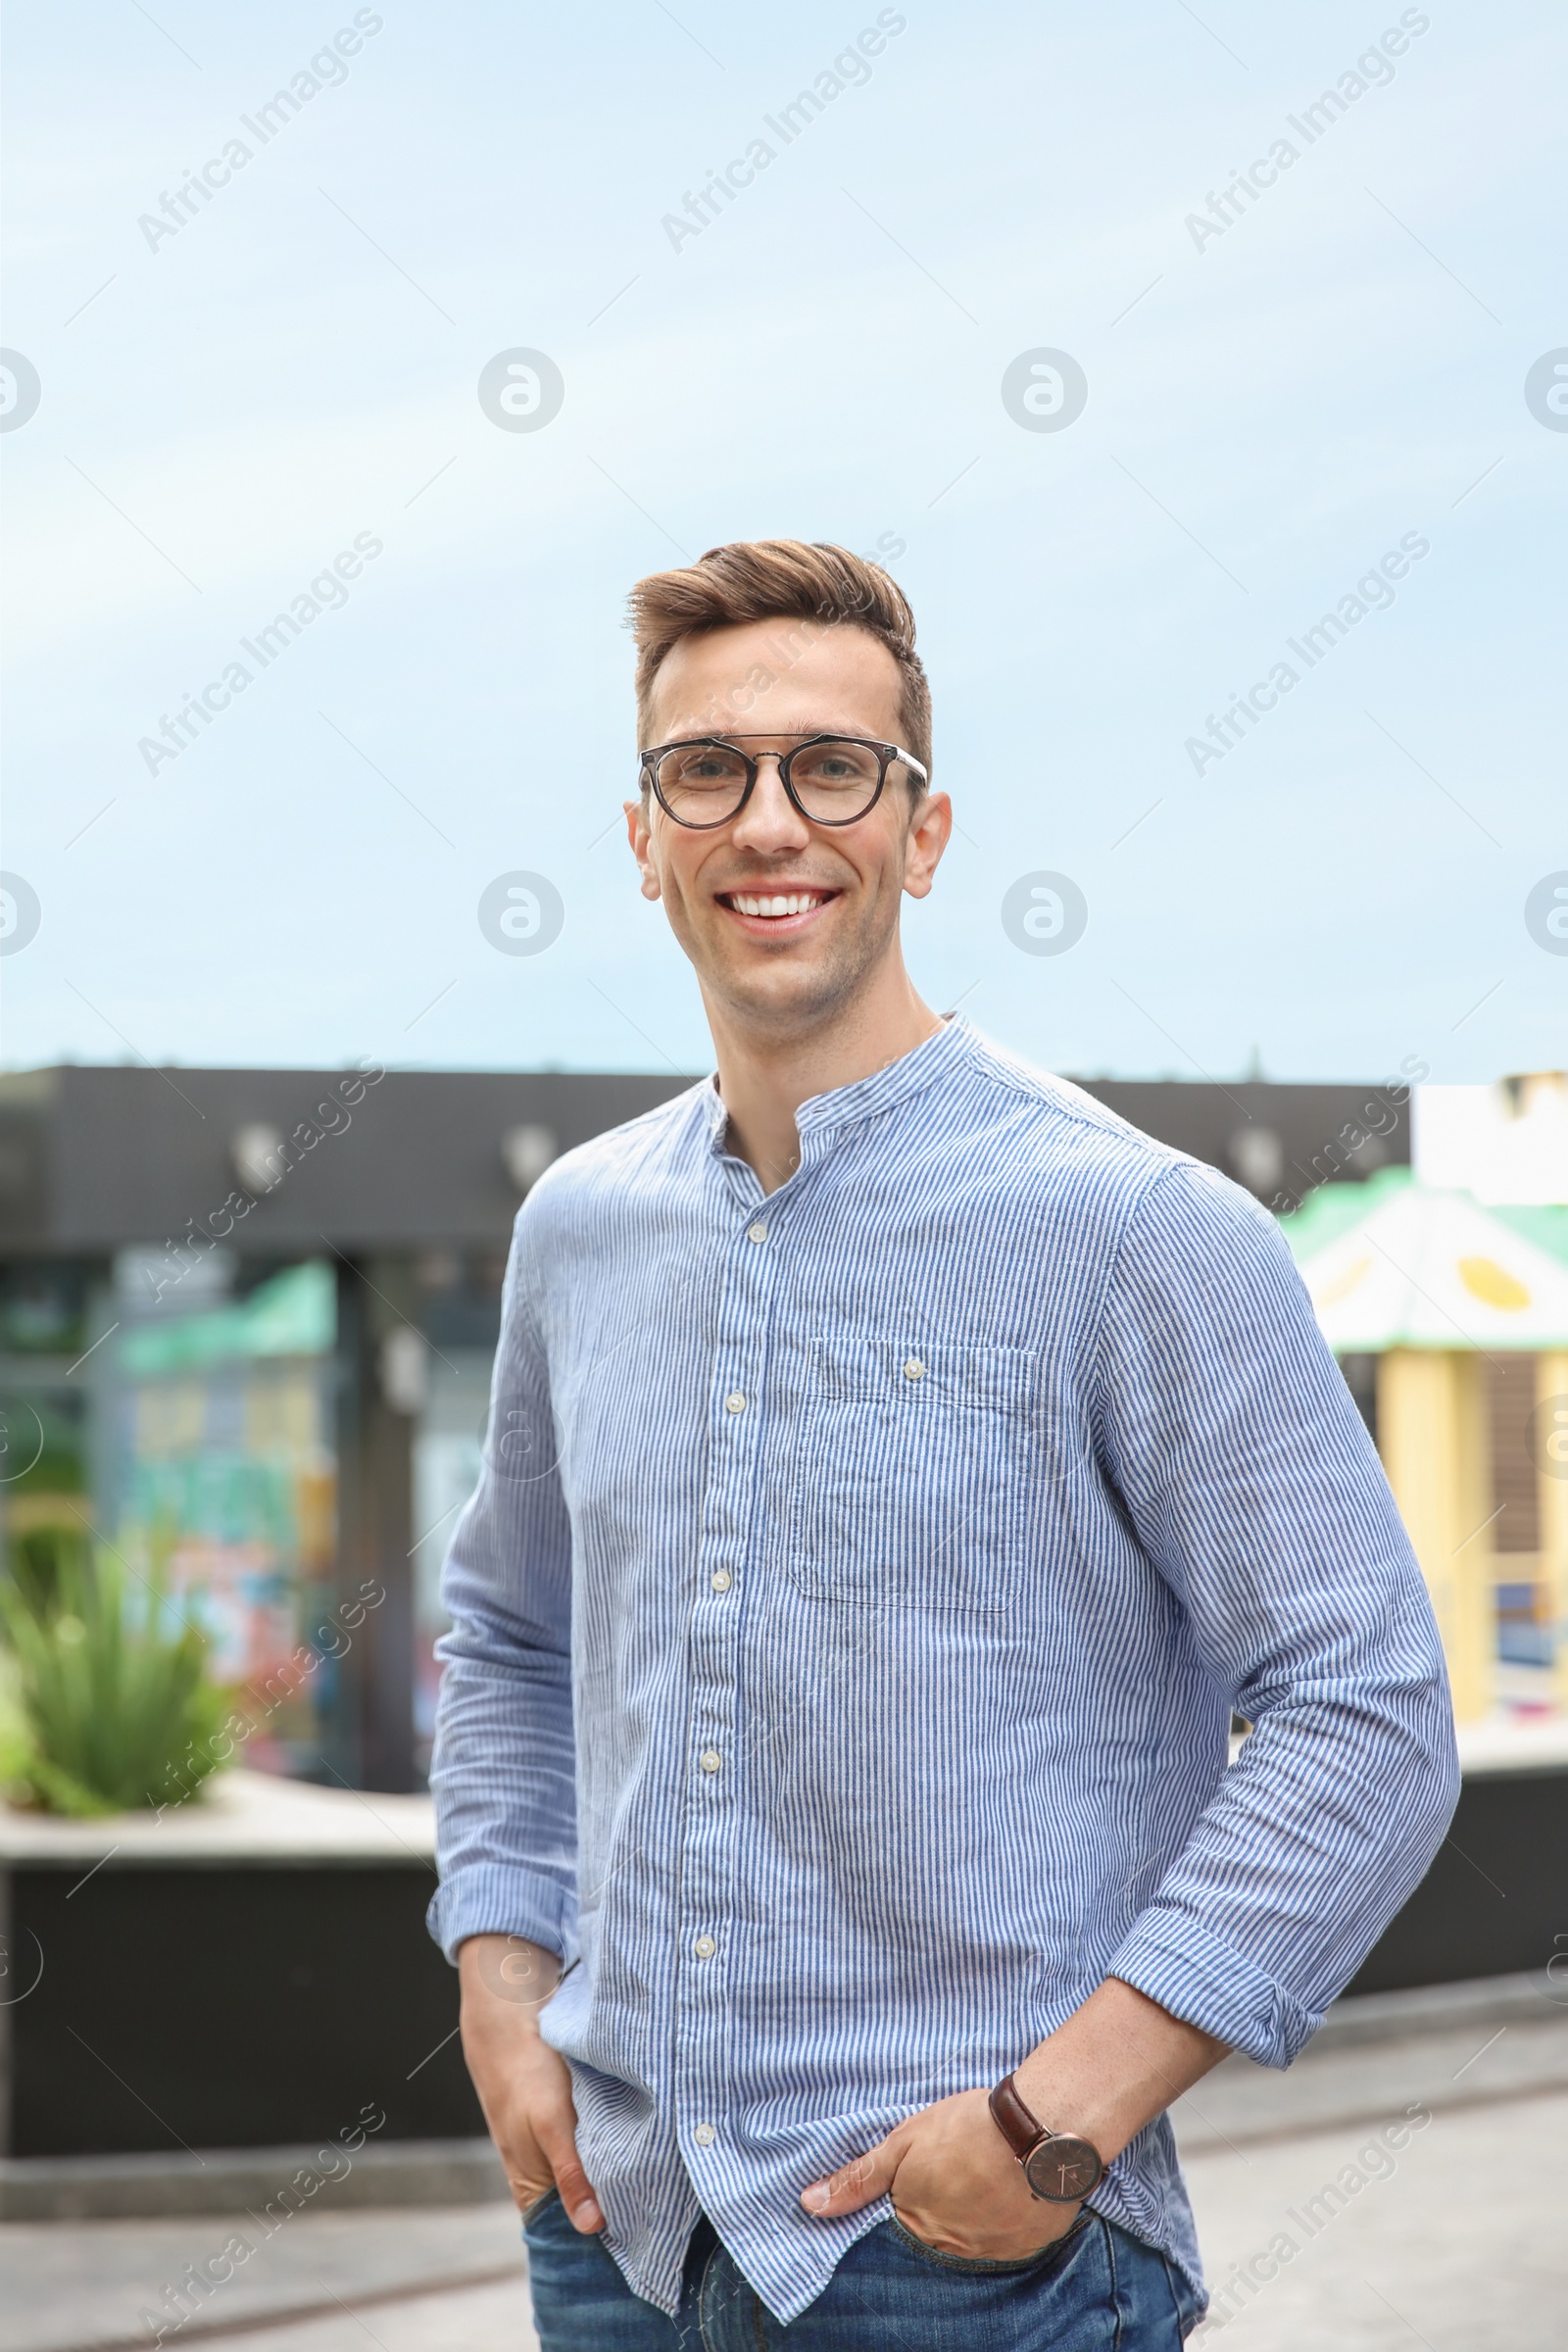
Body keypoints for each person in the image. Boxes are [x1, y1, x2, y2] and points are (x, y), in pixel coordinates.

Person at [427, 539, 1458, 2348]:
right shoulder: (578, 1234)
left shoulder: (1140, 1231)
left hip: (967, 2257)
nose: (771, 823)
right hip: (619, 2233)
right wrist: (503, 1984)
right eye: (709, 770)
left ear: (925, 829)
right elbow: (515, 1638)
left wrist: (1053, 2126)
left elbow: (1365, 1705)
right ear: (645, 830)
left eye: (834, 767)